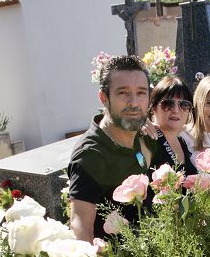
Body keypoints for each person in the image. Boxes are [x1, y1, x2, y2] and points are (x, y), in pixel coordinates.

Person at [68, 55, 156, 242]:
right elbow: (80, 225)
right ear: (103, 97)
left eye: (141, 93)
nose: (133, 102)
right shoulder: (91, 154)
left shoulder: (140, 135)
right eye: (123, 93)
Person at [148, 76, 198, 174]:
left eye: (183, 105)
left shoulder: (181, 141)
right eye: (168, 104)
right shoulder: (149, 139)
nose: (175, 110)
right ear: (154, 107)